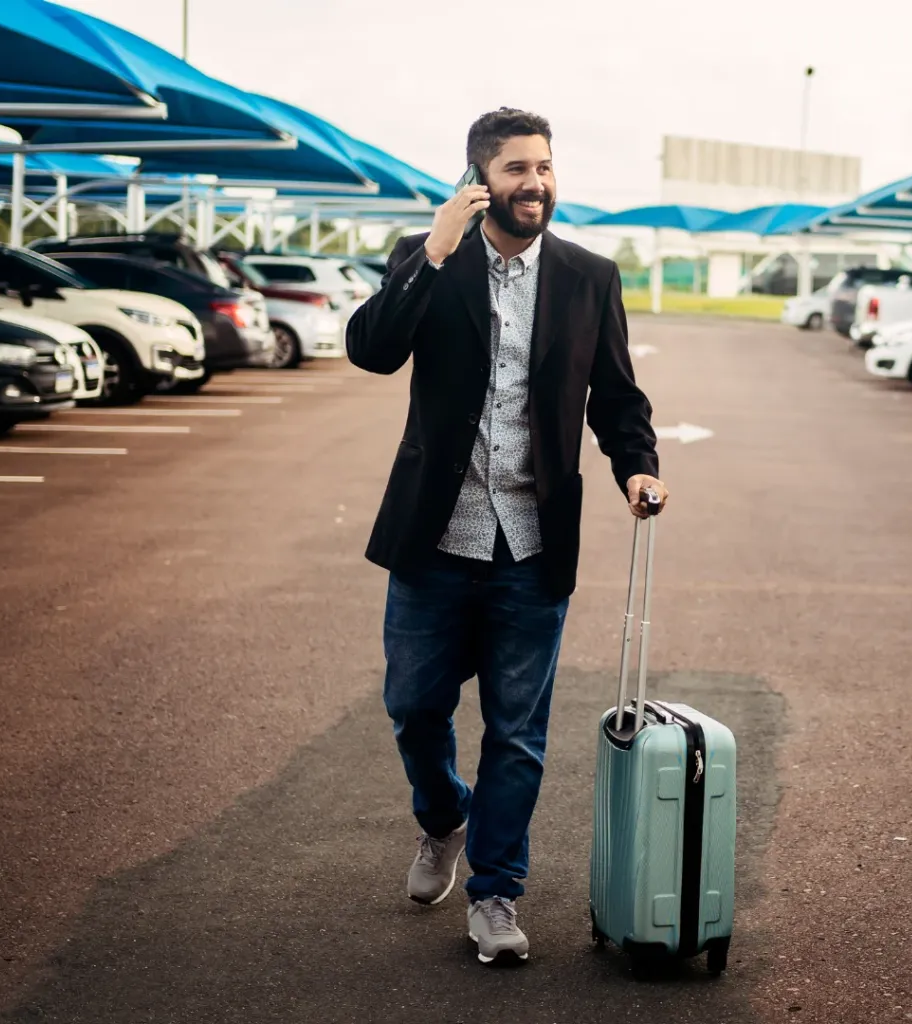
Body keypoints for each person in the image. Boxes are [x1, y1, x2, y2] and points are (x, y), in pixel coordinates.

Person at [345, 107, 667, 966]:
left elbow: (617, 396)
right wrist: (434, 251)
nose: (536, 182)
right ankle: (443, 817)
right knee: (413, 706)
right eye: (518, 168)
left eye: (546, 167)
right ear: (479, 179)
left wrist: (635, 466)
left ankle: (496, 893)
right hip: (434, 540)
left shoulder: (590, 277)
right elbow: (372, 352)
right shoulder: (430, 258)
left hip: (533, 546)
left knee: (517, 733)